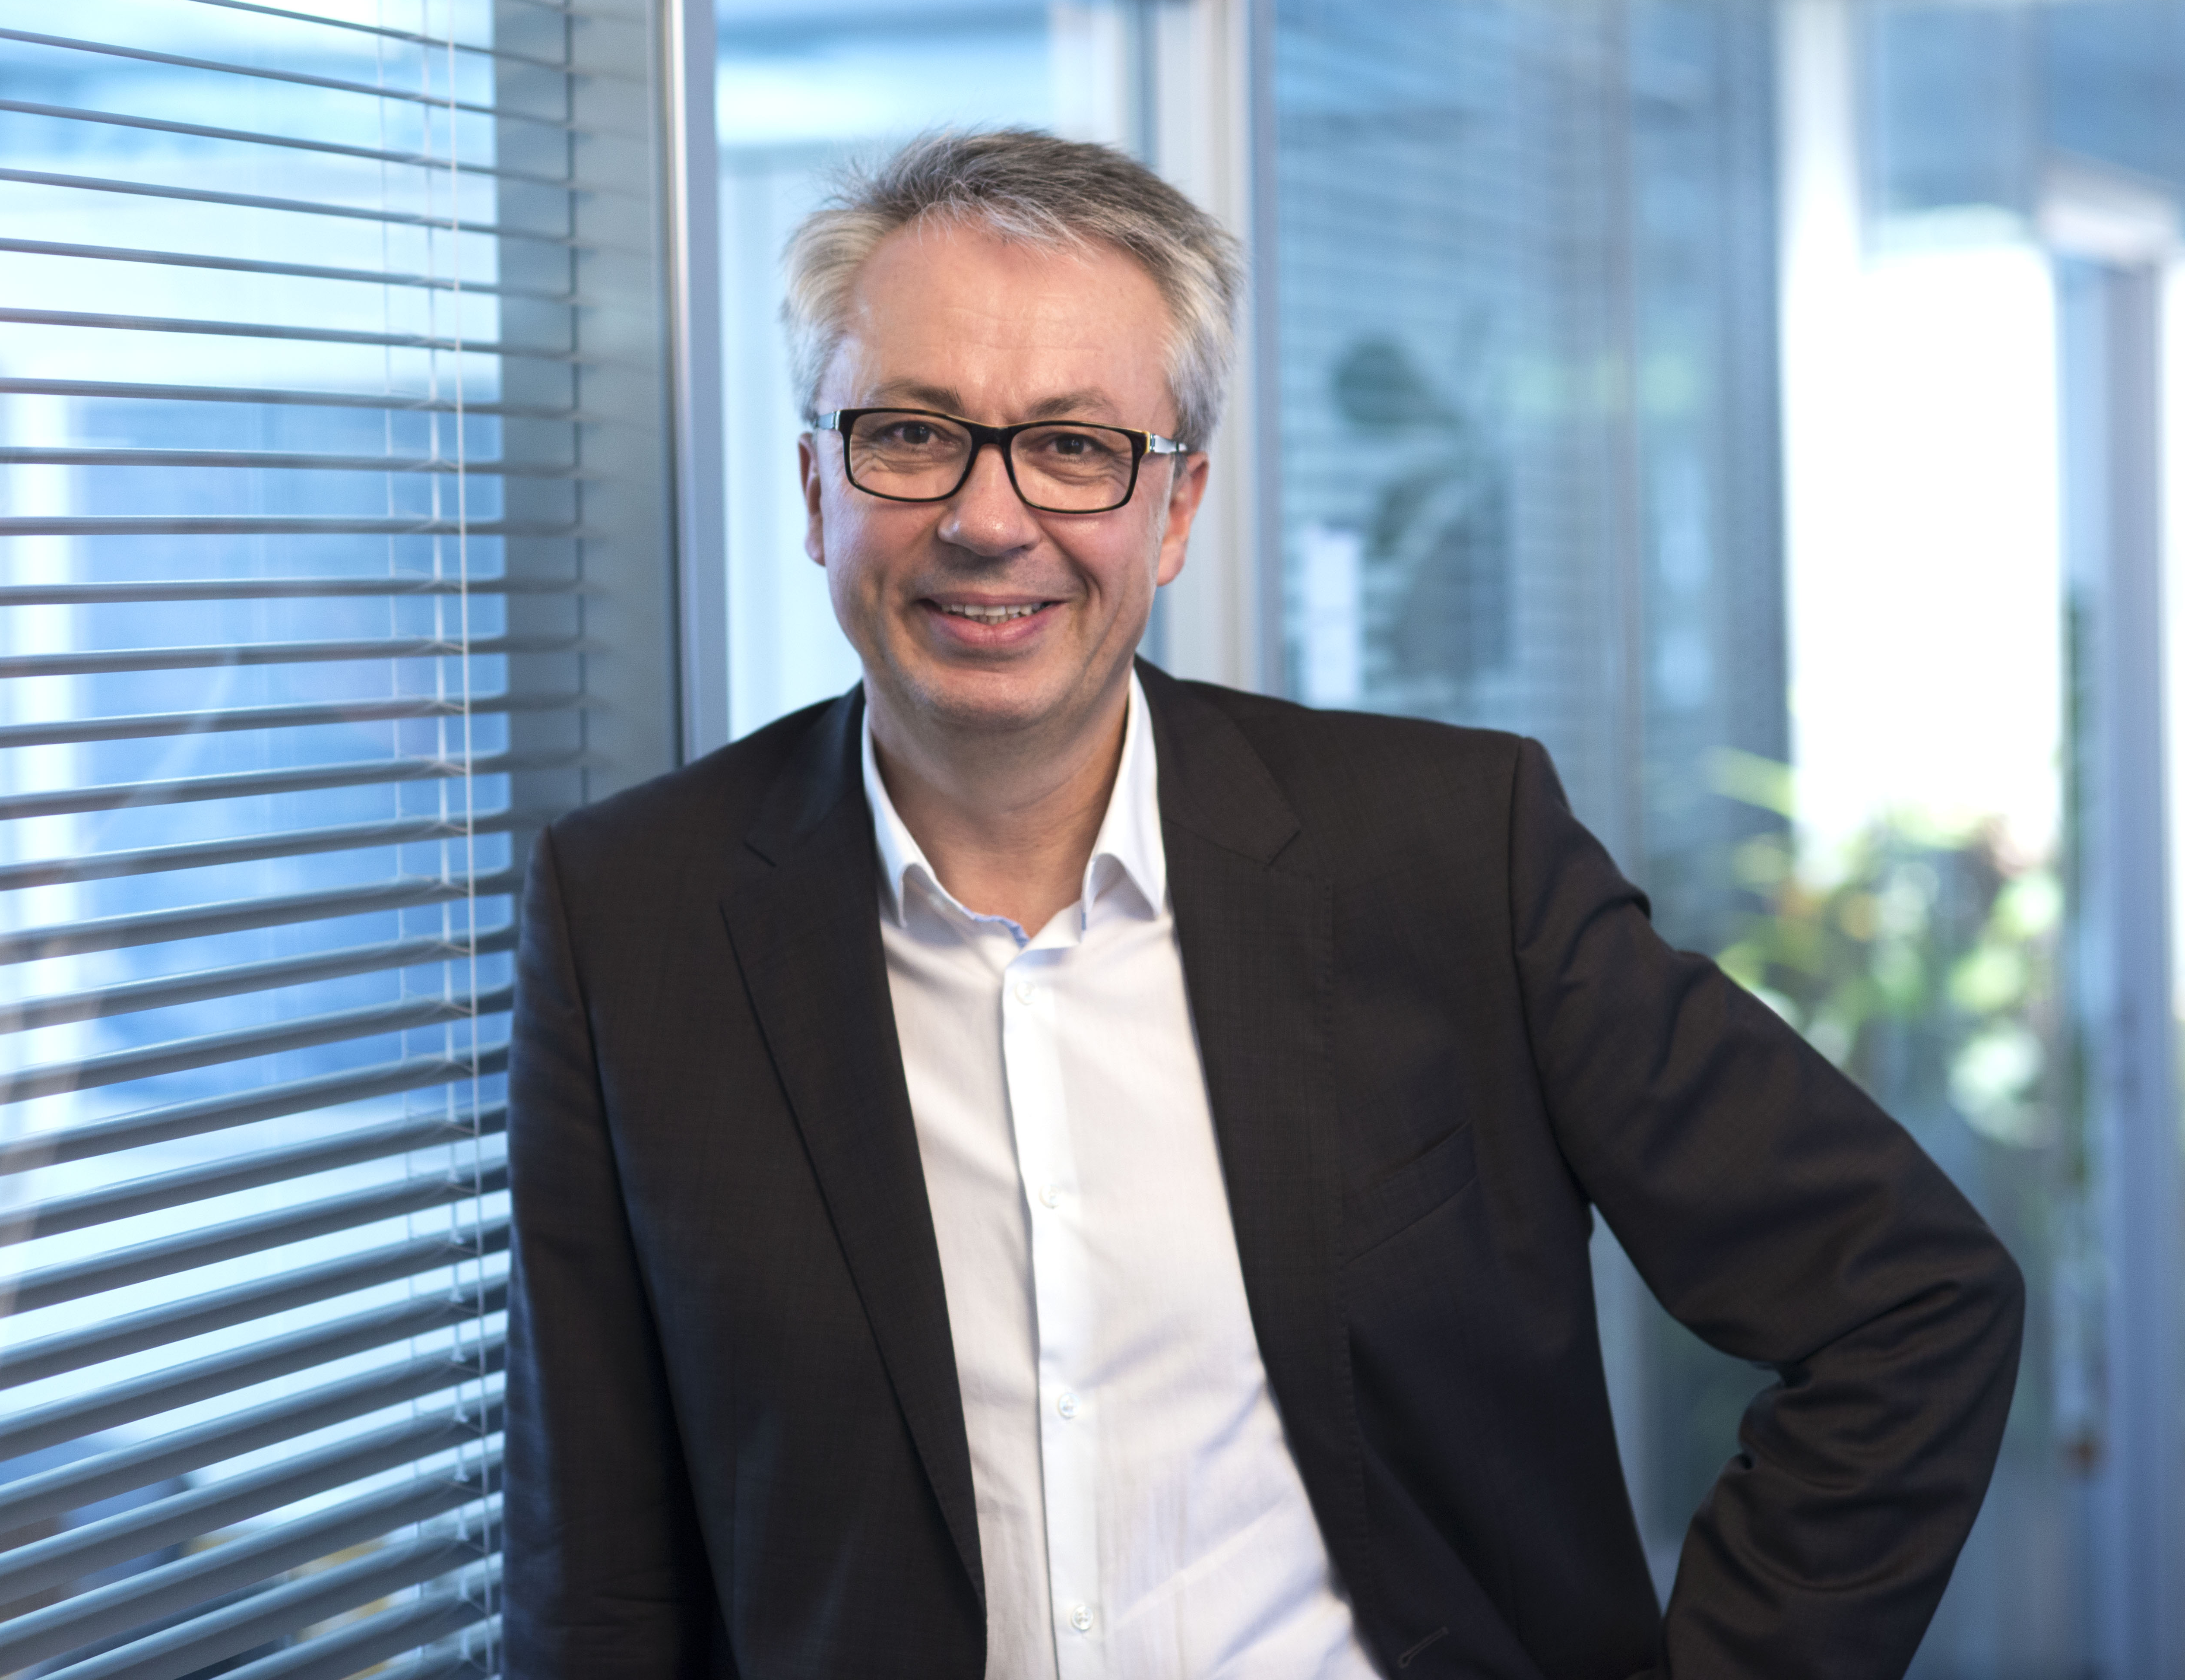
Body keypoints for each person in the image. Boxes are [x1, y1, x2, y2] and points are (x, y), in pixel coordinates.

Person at [501, 129, 2022, 1680]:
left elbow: (1911, 1299)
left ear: (1175, 510)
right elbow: (595, 1585)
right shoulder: (632, 920)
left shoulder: (1452, 854)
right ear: (817, 485)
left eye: (1076, 446)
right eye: (911, 433)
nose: (987, 517)